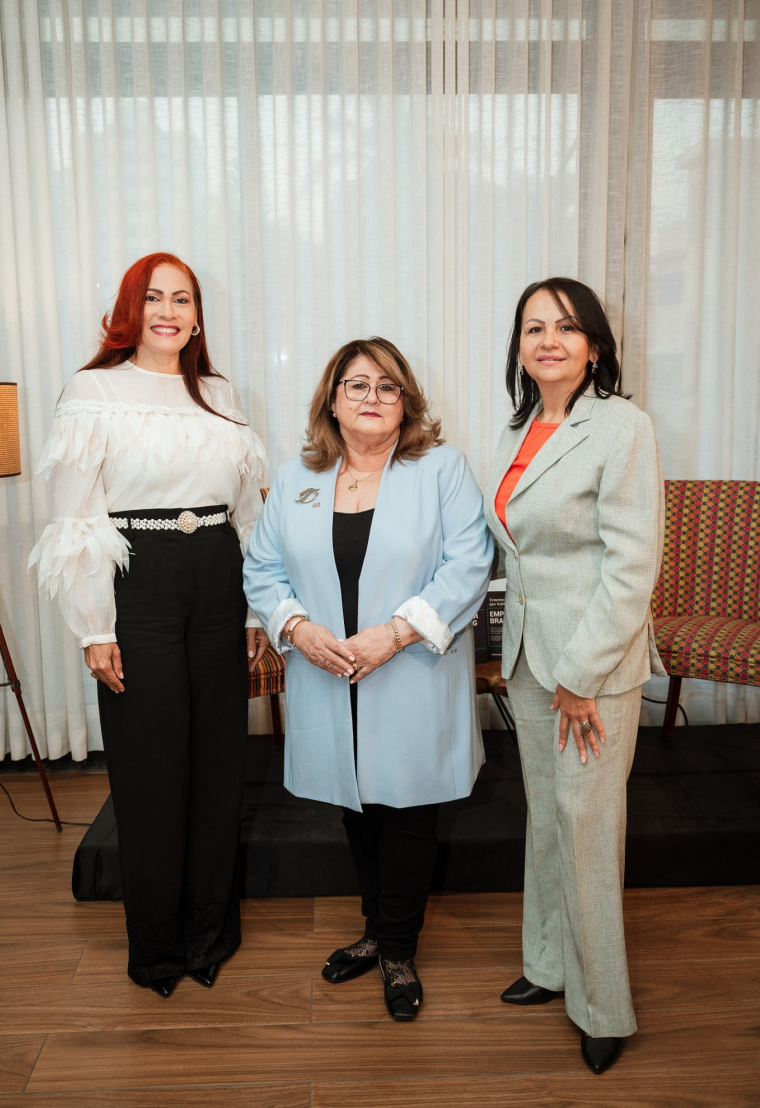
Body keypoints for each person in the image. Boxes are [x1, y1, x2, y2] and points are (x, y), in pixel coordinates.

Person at [30, 252, 268, 998]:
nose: (169, 311)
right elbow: (76, 519)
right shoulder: (92, 390)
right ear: (130, 311)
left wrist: (257, 606)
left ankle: (210, 934)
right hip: (139, 581)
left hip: (220, 576)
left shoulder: (222, 394)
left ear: (197, 317)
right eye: (154, 298)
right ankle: (158, 949)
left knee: (218, 762)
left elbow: (249, 511)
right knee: (150, 766)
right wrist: (94, 628)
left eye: (183, 299)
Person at [243, 336, 493, 1021]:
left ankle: (399, 951)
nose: (373, 398)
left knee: (407, 812)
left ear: (406, 401)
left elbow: (470, 563)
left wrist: (396, 634)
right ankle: (376, 930)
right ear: (333, 399)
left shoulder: (440, 469)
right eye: (357, 385)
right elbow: (262, 567)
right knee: (356, 805)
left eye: (388, 386)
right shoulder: (298, 478)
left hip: (409, 667)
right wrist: (296, 628)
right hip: (330, 670)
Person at [483, 278, 665, 1073]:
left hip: (591, 666)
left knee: (588, 828)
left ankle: (603, 1007)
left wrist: (582, 673)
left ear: (594, 345)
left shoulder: (622, 426)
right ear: (520, 347)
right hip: (529, 657)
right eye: (534, 328)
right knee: (549, 817)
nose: (548, 340)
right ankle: (551, 965)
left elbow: (632, 565)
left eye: (565, 327)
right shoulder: (516, 428)